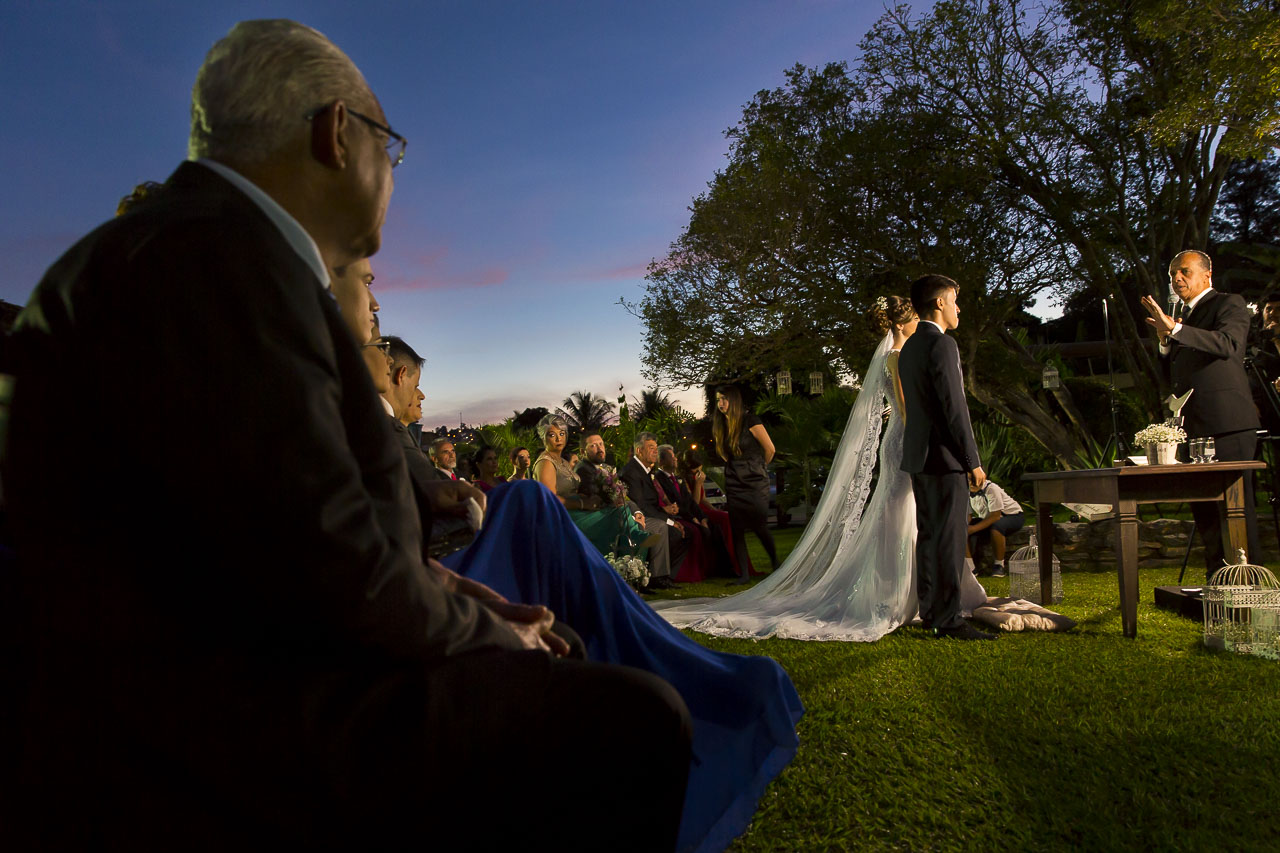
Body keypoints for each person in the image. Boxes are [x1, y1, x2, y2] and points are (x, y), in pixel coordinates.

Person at [3, 19, 694, 850]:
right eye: (390, 147)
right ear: (337, 133)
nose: (392, 176)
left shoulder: (182, 252)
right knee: (638, 714)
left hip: (218, 676)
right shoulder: (222, 260)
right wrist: (494, 632)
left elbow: (280, 526)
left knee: (561, 647)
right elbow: (334, 573)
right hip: (224, 729)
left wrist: (468, 596)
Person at [655, 295, 987, 640]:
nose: (920, 325)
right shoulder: (898, 357)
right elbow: (905, 408)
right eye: (916, 320)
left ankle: (922, 595)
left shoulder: (899, 356)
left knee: (907, 514)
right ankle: (894, 595)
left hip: (904, 439)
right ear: (902, 324)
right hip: (906, 440)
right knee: (898, 513)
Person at [1141, 250, 1263, 576]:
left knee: (1235, 508)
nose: (1176, 279)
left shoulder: (1228, 304)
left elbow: (1227, 344)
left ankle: (1247, 581)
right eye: (1171, 275)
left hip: (1228, 423)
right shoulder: (1182, 317)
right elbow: (1175, 369)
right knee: (1205, 508)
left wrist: (1177, 331)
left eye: (1183, 272)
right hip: (1193, 426)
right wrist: (1165, 340)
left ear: (1206, 275)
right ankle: (1217, 580)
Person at [900, 276, 996, 640]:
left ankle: (933, 613)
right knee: (949, 542)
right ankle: (950, 619)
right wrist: (972, 459)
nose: (959, 307)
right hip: (944, 458)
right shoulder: (942, 345)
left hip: (919, 458)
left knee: (929, 538)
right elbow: (954, 409)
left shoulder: (910, 347)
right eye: (955, 300)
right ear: (939, 303)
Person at [534, 413, 646, 556]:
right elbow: (549, 499)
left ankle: (630, 558)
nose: (558, 438)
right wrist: (582, 504)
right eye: (552, 434)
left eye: (562, 433)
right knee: (618, 514)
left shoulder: (562, 461)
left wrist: (584, 498)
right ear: (543, 437)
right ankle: (636, 542)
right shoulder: (545, 463)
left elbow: (571, 489)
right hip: (561, 516)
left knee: (620, 511)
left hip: (575, 510)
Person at [712, 385, 778, 583]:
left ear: (734, 400)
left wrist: (758, 467)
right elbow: (723, 454)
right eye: (717, 400)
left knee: (759, 524)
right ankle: (744, 575)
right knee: (737, 529)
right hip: (734, 481)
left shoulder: (751, 420)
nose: (720, 404)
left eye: (724, 399)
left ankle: (776, 564)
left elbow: (770, 449)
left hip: (755, 481)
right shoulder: (720, 425)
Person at [620, 432, 687, 589]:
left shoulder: (645, 470)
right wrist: (670, 521)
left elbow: (653, 504)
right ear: (639, 451)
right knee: (671, 531)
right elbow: (641, 506)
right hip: (637, 518)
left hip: (652, 514)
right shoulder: (632, 471)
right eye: (651, 448)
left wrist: (672, 519)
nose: (655, 452)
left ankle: (664, 575)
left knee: (684, 534)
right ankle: (657, 576)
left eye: (656, 448)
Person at [679, 448, 749, 577]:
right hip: (694, 511)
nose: (698, 472)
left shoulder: (696, 476)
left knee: (726, 516)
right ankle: (728, 564)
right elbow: (693, 502)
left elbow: (703, 499)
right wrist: (698, 483)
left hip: (703, 509)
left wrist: (714, 509)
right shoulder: (683, 479)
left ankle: (735, 561)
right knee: (724, 520)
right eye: (696, 470)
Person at [967, 477, 1025, 577]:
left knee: (996, 527)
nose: (971, 482)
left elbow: (996, 516)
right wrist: (967, 527)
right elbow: (968, 516)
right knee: (960, 529)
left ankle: (999, 565)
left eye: (973, 478)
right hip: (987, 518)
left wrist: (973, 529)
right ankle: (970, 567)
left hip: (1011, 515)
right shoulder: (965, 492)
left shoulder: (991, 489)